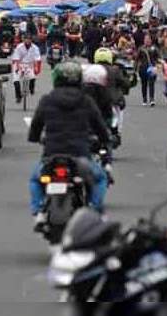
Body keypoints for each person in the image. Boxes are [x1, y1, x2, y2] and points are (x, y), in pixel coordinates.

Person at [28, 61, 110, 229]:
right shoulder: (85, 101)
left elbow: (36, 125)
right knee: (101, 178)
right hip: (80, 155)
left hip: (51, 155)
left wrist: (34, 137)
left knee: (36, 180)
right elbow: (100, 126)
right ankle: (94, 211)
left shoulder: (47, 100)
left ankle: (39, 211)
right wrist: (105, 139)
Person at [10, 33, 41, 103]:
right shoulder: (19, 47)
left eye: (29, 39)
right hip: (19, 64)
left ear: (31, 40)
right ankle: (18, 96)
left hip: (29, 64)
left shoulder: (35, 48)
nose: (27, 41)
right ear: (23, 39)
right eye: (26, 39)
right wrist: (18, 67)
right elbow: (16, 58)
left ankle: (31, 88)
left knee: (32, 77)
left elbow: (36, 59)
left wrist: (36, 67)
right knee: (16, 80)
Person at [136, 36, 159, 106]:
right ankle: (144, 99)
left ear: (151, 41)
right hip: (143, 68)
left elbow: (158, 57)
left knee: (151, 83)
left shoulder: (154, 48)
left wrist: (157, 65)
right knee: (144, 84)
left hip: (152, 68)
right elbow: (137, 58)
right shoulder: (141, 49)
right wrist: (135, 69)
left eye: (148, 40)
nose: (147, 41)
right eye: (146, 39)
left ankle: (152, 99)